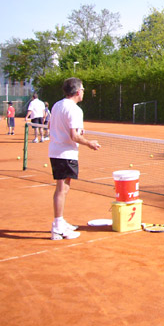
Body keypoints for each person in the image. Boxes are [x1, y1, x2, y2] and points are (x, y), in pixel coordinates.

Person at [49, 78, 101, 240]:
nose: (84, 92)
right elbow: (73, 136)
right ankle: (57, 226)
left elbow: (59, 127)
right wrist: (89, 143)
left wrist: (78, 133)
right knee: (61, 189)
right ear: (78, 92)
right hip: (66, 154)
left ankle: (61, 221)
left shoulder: (57, 105)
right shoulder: (75, 110)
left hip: (57, 151)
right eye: (83, 89)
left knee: (64, 188)